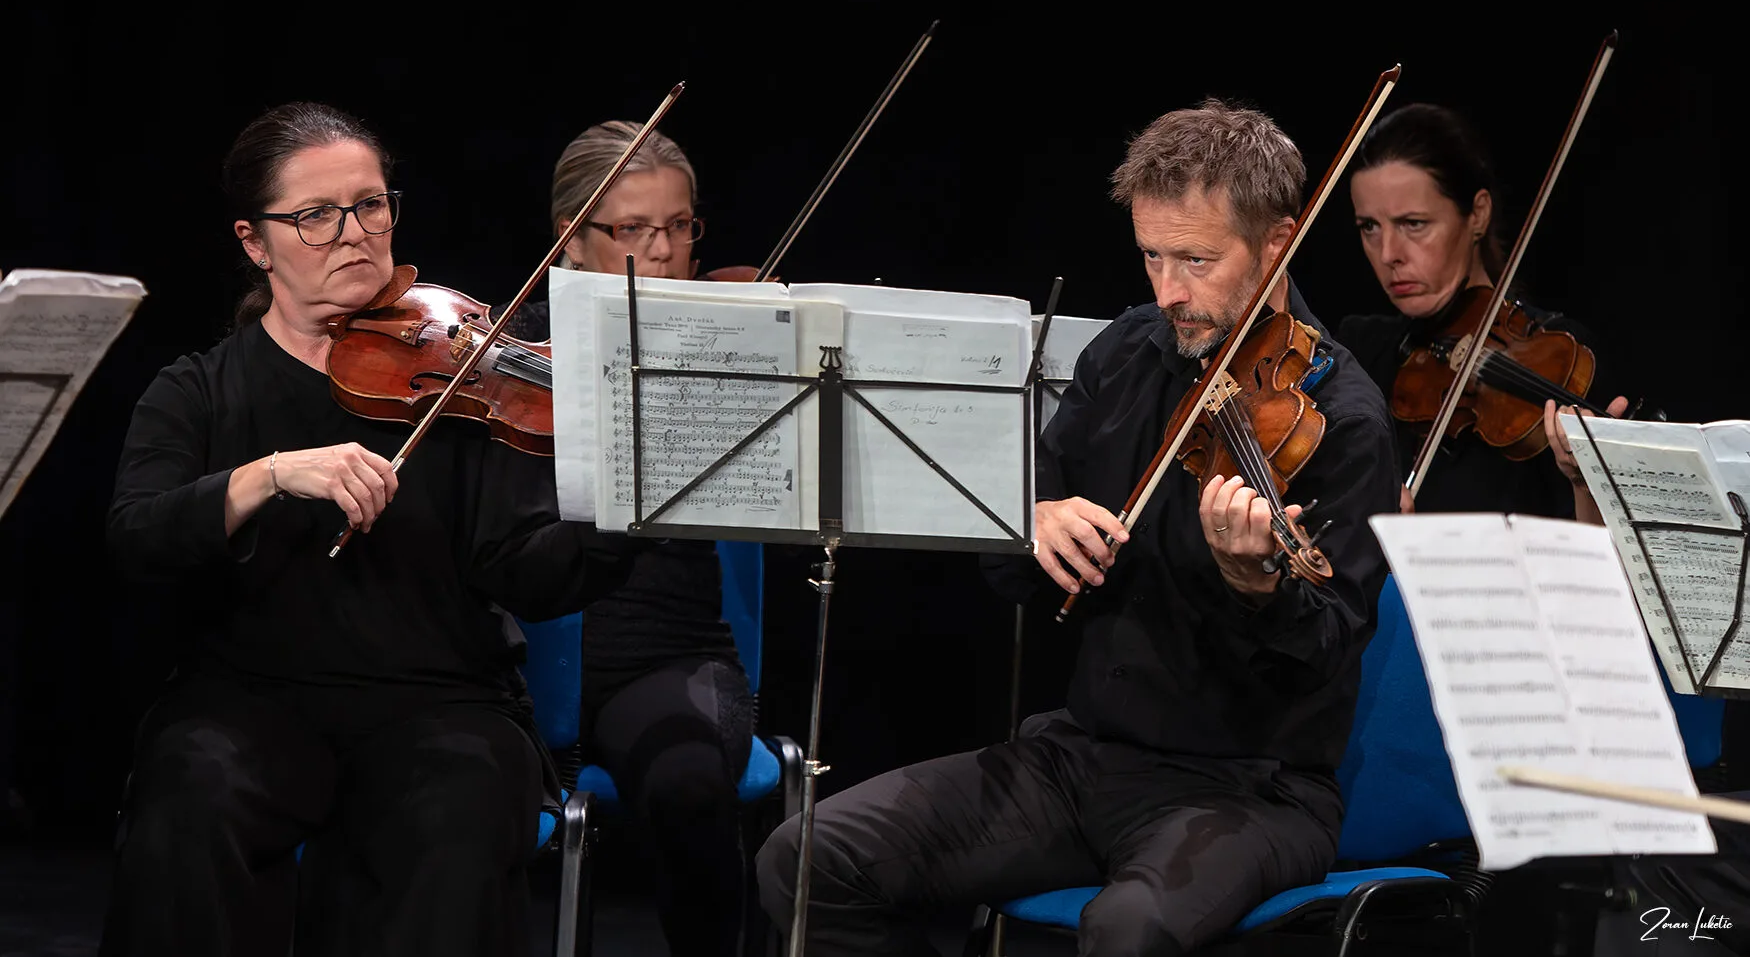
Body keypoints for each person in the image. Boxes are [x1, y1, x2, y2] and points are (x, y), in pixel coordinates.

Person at [755, 100, 1401, 955]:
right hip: (1084, 756)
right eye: (1152, 256)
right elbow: (1017, 564)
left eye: (1197, 260)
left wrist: (1259, 587)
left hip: (1251, 789)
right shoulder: (1126, 352)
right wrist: (1031, 520)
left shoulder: (1343, 417)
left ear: (1278, 242)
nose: (1168, 292)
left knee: (1129, 927)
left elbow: (1330, 645)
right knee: (807, 856)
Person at [100, 101, 641, 957]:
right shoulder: (197, 390)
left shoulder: (463, 372)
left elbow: (532, 576)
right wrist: (271, 473)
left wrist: (624, 510)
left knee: (462, 812)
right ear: (254, 241)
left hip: (440, 702)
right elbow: (137, 537)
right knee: (189, 796)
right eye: (316, 215)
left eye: (371, 205)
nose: (354, 233)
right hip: (250, 701)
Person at [490, 120, 757, 957]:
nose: (666, 251)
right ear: (572, 238)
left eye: (679, 225)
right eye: (634, 229)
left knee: (688, 784)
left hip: (663, 656)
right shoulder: (509, 346)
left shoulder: (728, 340)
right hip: (504, 666)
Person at [1337, 102, 1630, 520]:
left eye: (1413, 224)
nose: (1388, 254)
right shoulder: (1361, 350)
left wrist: (1586, 483)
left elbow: (1602, 549)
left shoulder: (1559, 352)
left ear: (1477, 214)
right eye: (1369, 226)